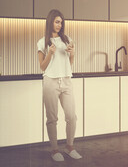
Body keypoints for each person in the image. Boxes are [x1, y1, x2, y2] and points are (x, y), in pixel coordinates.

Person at [37, 9, 82, 161]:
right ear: (50, 22)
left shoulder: (67, 39)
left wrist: (73, 53)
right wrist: (50, 53)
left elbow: (69, 64)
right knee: (52, 118)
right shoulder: (42, 42)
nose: (59, 25)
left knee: (71, 117)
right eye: (57, 22)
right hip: (50, 81)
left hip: (66, 81)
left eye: (61, 22)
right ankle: (54, 150)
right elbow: (42, 67)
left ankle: (70, 147)